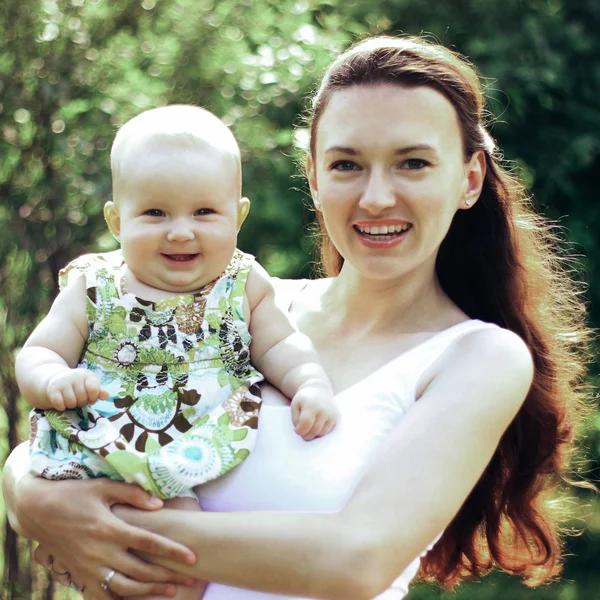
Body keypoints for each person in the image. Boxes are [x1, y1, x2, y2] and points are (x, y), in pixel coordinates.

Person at [2, 35, 592, 600]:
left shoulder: (477, 357)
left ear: (468, 180)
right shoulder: (239, 305)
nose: (377, 197)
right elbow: (78, 415)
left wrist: (92, 525)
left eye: (412, 163)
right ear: (312, 176)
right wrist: (27, 492)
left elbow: (355, 559)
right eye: (346, 165)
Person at [14, 105, 338, 599]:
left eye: (205, 212)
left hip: (191, 445)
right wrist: (54, 380)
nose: (181, 230)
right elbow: (38, 351)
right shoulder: (94, 286)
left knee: (178, 565)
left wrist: (310, 384)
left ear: (239, 215)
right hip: (102, 442)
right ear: (116, 220)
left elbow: (281, 344)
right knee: (130, 554)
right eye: (155, 213)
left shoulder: (243, 284)